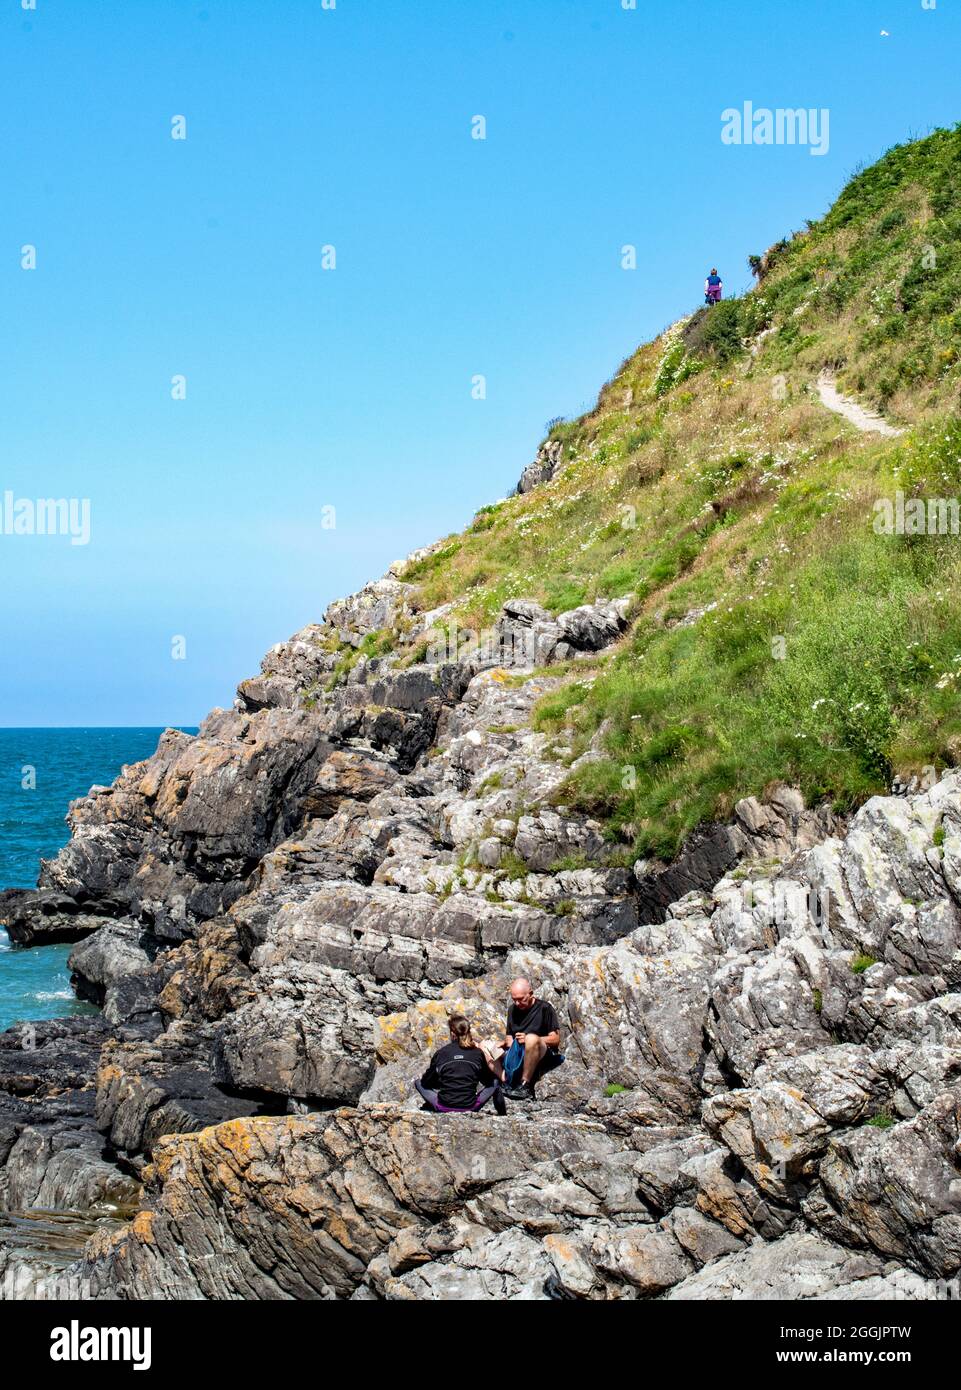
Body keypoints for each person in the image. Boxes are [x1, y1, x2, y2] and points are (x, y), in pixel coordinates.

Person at [483, 977, 563, 1102]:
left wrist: (529, 1039)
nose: (517, 1003)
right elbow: (509, 1036)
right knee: (484, 1045)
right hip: (516, 1051)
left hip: (539, 1051)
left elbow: (555, 1039)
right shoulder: (512, 1010)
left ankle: (525, 1084)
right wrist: (505, 1043)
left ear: (530, 994)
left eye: (521, 999)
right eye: (514, 1000)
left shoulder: (545, 1008)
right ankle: (505, 1080)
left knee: (531, 1038)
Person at [414, 1014, 506, 1115]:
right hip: (470, 1106)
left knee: (418, 1082)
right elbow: (487, 1080)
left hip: (444, 1106)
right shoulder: (478, 1053)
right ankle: (502, 1114)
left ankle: (431, 1106)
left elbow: (427, 1082)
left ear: (452, 1034)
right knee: (495, 1081)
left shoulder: (441, 1053)